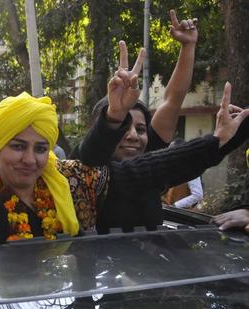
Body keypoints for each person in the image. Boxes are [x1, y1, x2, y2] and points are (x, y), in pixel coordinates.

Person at [0, 76, 248, 251]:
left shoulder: (70, 183)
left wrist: (218, 142)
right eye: (17, 146)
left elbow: (148, 170)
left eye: (40, 148)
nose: (30, 159)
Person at [71, 10, 202, 232]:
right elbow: (94, 148)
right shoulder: (85, 165)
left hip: (153, 264)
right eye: (122, 125)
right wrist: (115, 111)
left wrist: (188, 47)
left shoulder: (150, 156)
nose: (133, 135)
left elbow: (173, 100)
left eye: (141, 129)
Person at [162, 138, 204, 209]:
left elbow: (198, 195)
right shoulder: (172, 168)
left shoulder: (191, 170)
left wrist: (175, 205)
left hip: (182, 213)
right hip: (168, 211)